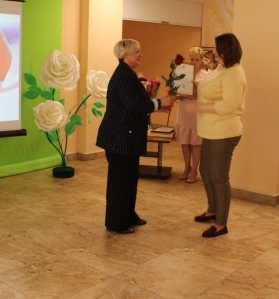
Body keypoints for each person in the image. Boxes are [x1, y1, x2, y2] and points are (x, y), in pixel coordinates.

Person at [96, 39, 173, 234]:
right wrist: (159, 103)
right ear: (126, 54)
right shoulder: (124, 76)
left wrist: (156, 107)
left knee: (129, 180)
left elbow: (133, 104)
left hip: (126, 138)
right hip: (120, 138)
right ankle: (116, 223)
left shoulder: (127, 74)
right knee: (120, 183)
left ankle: (128, 215)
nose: (140, 55)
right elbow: (133, 106)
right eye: (137, 52)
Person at [189, 33, 247, 238]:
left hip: (224, 132)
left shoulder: (234, 74)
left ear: (226, 50)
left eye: (217, 49)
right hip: (211, 130)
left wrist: (199, 107)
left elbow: (229, 105)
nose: (214, 52)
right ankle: (213, 210)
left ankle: (221, 224)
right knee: (205, 170)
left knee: (219, 177)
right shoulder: (222, 68)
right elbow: (212, 87)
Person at [174, 46, 209, 183]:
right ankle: (186, 167)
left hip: (196, 110)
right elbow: (177, 89)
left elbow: (207, 95)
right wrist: (177, 92)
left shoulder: (206, 75)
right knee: (185, 141)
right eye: (192, 59)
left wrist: (196, 88)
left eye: (197, 60)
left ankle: (194, 169)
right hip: (184, 108)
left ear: (202, 60)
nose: (194, 62)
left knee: (196, 142)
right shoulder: (183, 72)